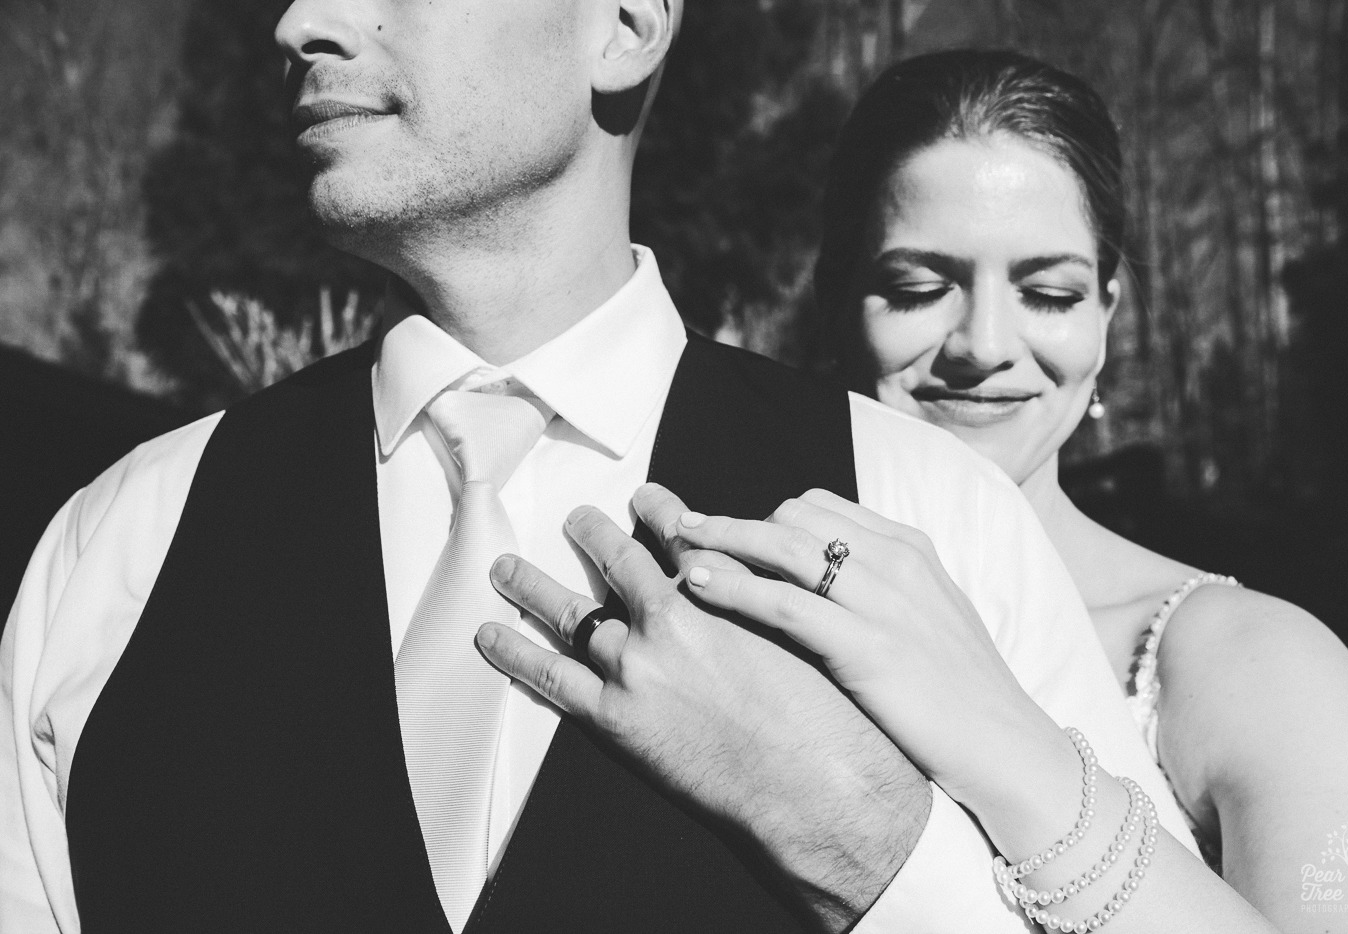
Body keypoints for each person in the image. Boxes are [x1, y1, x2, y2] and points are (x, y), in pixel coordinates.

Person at [0, 7, 1193, 933]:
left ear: (624, 21)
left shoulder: (929, 515)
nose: (300, 20)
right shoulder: (118, 542)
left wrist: (870, 842)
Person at [618, 49, 1348, 932]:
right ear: (835, 297)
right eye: (919, 288)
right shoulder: (728, 600)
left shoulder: (1260, 668)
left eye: (1048, 292)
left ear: (1106, 314)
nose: (984, 343)